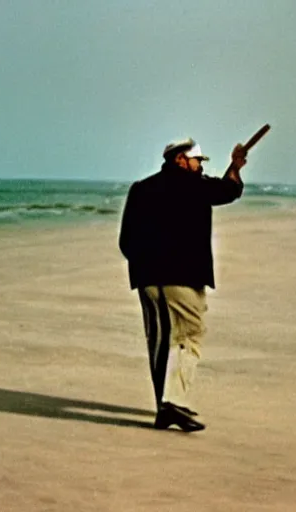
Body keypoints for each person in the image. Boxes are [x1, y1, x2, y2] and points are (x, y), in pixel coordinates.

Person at [119, 138, 247, 432]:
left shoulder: (141, 188)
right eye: (197, 160)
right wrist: (236, 166)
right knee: (188, 335)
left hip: (147, 278)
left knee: (160, 340)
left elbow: (126, 240)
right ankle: (172, 403)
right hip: (182, 276)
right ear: (179, 159)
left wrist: (144, 264)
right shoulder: (194, 186)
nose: (200, 166)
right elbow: (230, 190)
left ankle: (164, 405)